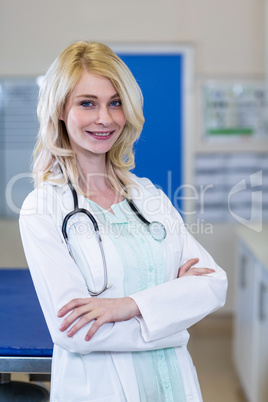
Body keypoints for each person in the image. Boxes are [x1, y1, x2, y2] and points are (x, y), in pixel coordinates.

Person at [19, 41, 227, 402]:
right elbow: (75, 331)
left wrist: (127, 306)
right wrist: (173, 318)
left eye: (115, 102)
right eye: (87, 103)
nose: (105, 118)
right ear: (59, 111)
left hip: (175, 386)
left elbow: (213, 285)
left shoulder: (148, 197)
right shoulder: (42, 208)